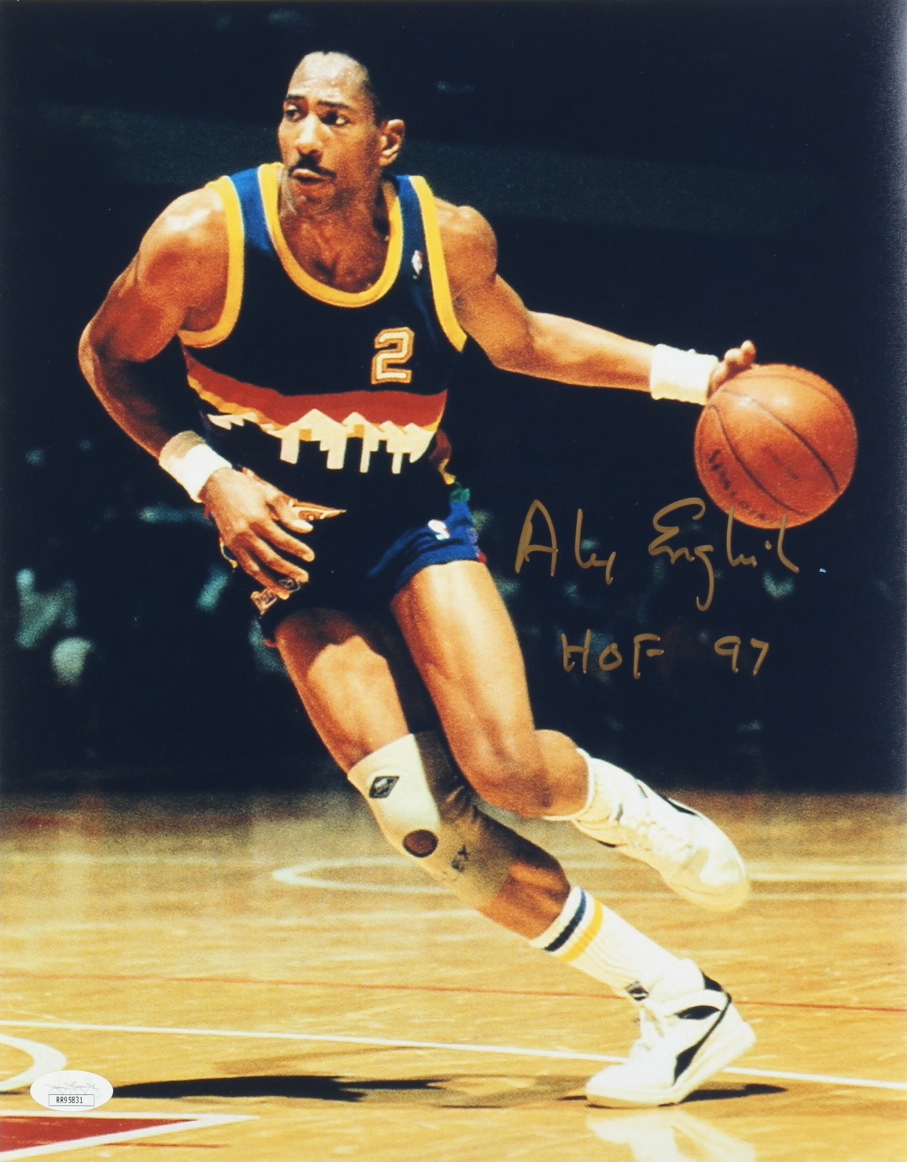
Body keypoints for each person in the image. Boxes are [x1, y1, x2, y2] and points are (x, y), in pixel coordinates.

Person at [80, 51, 759, 1107]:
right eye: (292, 114)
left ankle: (631, 809)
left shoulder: (448, 239)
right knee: (425, 823)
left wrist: (691, 378)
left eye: (333, 118)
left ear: (384, 141)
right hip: (292, 549)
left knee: (510, 770)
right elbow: (107, 355)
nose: (305, 139)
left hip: (408, 518)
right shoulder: (200, 238)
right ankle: (680, 1004)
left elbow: (525, 341)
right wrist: (212, 479)